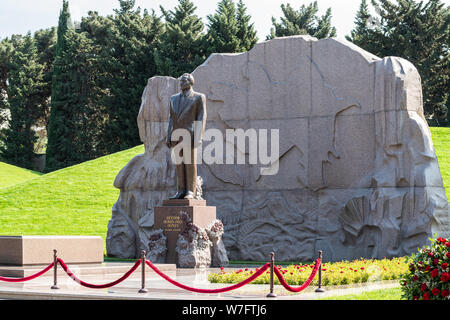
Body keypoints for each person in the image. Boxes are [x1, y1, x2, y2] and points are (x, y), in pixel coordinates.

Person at [166, 73, 207, 200]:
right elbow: (171, 119)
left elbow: (201, 117)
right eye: (180, 81)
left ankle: (191, 191)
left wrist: (199, 136)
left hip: (190, 135)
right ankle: (181, 190)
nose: (181, 83)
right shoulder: (173, 98)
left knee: (190, 164)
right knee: (179, 165)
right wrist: (168, 136)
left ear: (190, 82)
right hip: (176, 136)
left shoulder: (198, 97)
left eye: (184, 81)